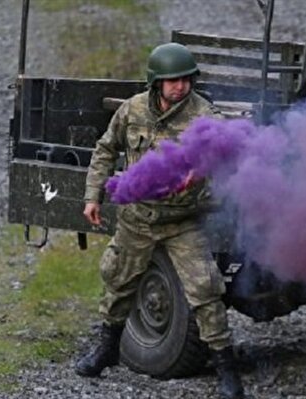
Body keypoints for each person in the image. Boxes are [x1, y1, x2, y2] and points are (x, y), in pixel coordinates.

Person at [76, 42, 244, 399]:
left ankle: (227, 368)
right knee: (119, 283)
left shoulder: (204, 116)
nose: (179, 87)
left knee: (205, 291)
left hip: (182, 221)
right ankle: (106, 350)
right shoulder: (133, 110)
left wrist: (199, 172)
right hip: (136, 218)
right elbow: (106, 149)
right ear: (156, 82)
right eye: (172, 81)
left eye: (185, 80)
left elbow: (226, 154)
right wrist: (93, 196)